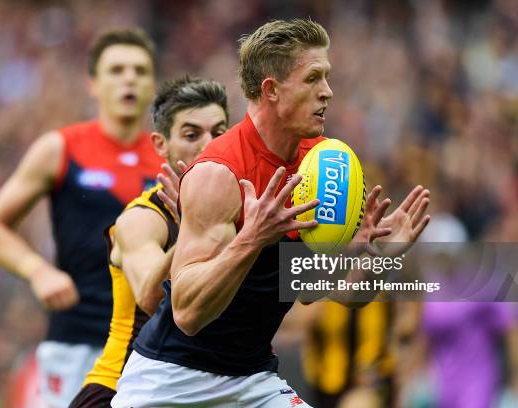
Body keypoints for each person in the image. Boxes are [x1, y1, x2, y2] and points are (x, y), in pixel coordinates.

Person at [112, 19, 430, 407]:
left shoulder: (319, 163)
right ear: (271, 90)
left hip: (251, 380)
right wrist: (252, 238)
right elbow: (187, 313)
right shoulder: (220, 174)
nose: (327, 92)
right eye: (313, 78)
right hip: (173, 379)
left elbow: (331, 292)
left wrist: (378, 258)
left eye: (327, 77)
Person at [0, 28, 161, 407]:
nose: (129, 78)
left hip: (150, 346)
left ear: (152, 84)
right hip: (77, 338)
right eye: (117, 70)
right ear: (93, 84)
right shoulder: (61, 148)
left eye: (140, 70)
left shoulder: (169, 160)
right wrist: (37, 270)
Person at [68, 76, 229, 407]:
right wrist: (192, 232)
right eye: (191, 134)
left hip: (202, 388)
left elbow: (310, 291)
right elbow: (149, 295)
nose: (208, 144)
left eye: (219, 132)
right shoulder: (141, 219)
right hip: (121, 389)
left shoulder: (246, 209)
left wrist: (358, 256)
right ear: (160, 144)